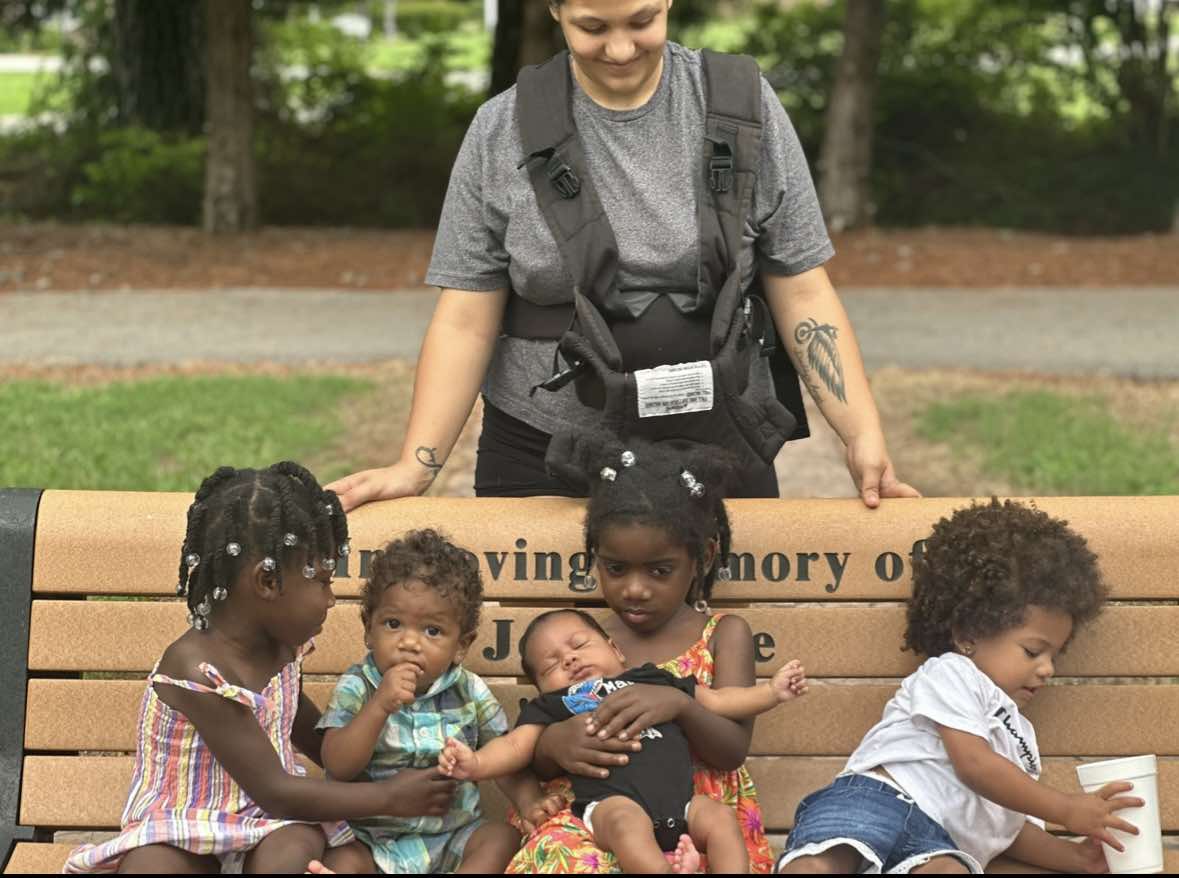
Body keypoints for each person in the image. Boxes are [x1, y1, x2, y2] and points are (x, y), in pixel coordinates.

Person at [327, 0, 918, 509]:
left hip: (719, 439)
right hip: (546, 450)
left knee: (719, 639)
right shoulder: (499, 130)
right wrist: (417, 464)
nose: (618, 49)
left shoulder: (742, 110)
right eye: (592, 26)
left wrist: (860, 434)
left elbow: (803, 288)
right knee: (553, 643)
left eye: (640, 21)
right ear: (555, 10)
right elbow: (465, 318)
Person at [776, 499, 1144, 875]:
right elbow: (974, 765)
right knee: (822, 863)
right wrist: (1066, 809)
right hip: (878, 800)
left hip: (935, 842)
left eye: (1056, 656)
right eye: (1033, 651)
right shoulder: (953, 674)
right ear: (968, 633)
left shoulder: (1020, 743)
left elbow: (1003, 828)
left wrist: (1079, 859)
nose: (1047, 669)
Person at [469, 432, 777, 872]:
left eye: (659, 570)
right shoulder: (585, 641)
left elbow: (731, 751)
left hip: (694, 815)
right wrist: (556, 744)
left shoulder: (723, 635)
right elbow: (533, 747)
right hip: (594, 815)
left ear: (703, 558)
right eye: (615, 568)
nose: (635, 589)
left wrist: (678, 704)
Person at [62, 463, 388, 874]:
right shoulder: (195, 670)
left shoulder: (286, 650)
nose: (330, 599)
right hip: (185, 824)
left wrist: (382, 761)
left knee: (293, 850)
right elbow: (276, 790)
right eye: (322, 581)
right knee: (151, 867)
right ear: (267, 581)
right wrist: (391, 798)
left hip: (270, 821)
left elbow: (312, 737)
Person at [438, 608, 809, 874]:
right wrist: (476, 764)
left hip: (679, 802)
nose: (569, 659)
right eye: (551, 665)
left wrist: (772, 693)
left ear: (615, 649)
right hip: (609, 804)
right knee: (626, 823)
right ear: (539, 687)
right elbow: (516, 747)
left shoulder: (656, 679)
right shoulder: (556, 704)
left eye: (579, 644)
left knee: (720, 818)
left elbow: (722, 701)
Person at [316, 528, 562, 873]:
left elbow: (503, 757)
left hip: (453, 838)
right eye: (393, 623)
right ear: (368, 629)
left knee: (500, 839)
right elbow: (337, 765)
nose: (410, 642)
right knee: (341, 860)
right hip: (371, 841)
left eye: (432, 631)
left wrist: (530, 802)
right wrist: (379, 706)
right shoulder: (358, 685)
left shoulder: (470, 690)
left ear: (461, 645)